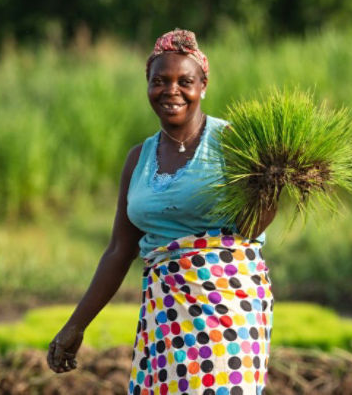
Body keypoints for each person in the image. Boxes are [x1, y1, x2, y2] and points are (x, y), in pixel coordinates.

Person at [47, 29, 278, 395]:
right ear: (148, 86)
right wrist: (76, 325)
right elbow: (119, 250)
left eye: (184, 81)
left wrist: (272, 183)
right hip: (164, 312)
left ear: (203, 86)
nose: (171, 90)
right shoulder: (138, 159)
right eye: (160, 81)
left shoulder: (233, 142)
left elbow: (250, 228)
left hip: (227, 307)